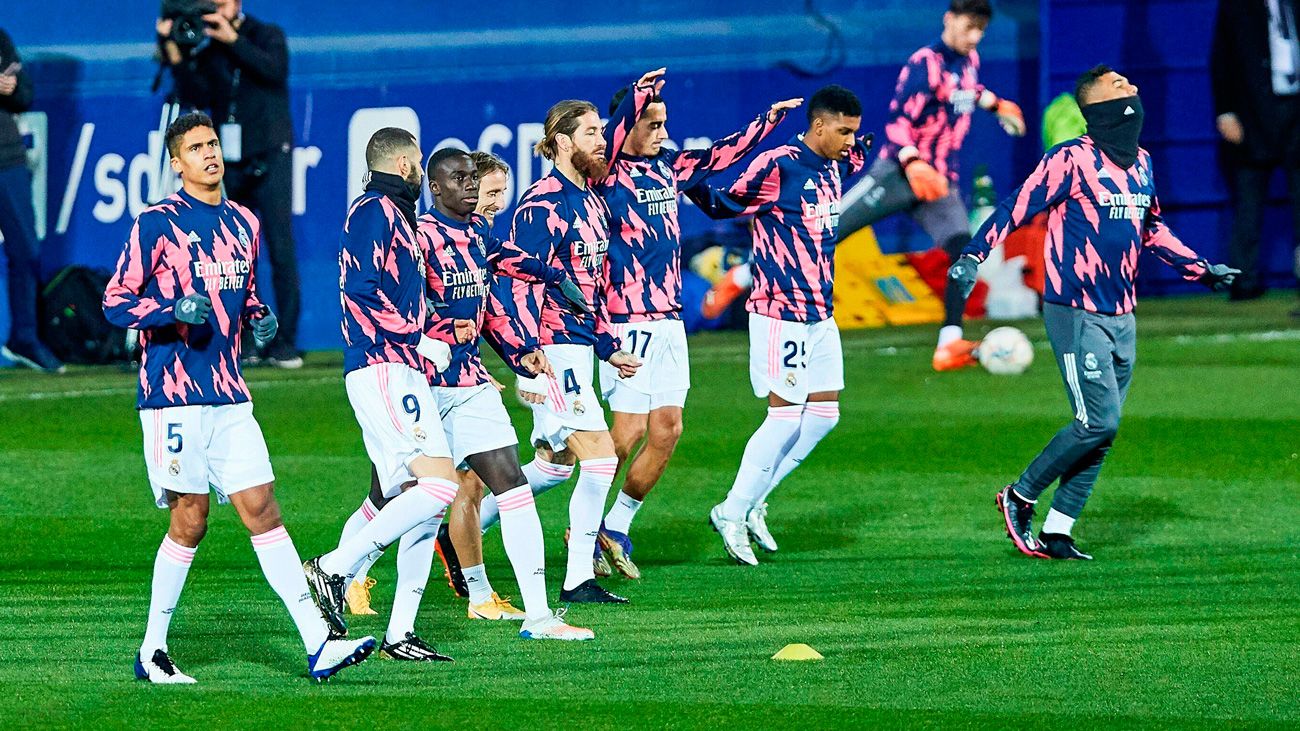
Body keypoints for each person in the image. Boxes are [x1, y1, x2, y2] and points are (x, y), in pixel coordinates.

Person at [102, 112, 375, 683]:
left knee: (262, 509)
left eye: (212, 145)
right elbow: (116, 301)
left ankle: (317, 643)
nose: (209, 154)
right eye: (196, 147)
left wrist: (257, 315)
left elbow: (243, 291)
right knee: (191, 520)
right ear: (176, 162)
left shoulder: (243, 222)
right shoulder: (156, 224)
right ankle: (152, 649)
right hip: (172, 396)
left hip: (228, 393)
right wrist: (169, 310)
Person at [946, 67, 1239, 559]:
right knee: (1096, 421)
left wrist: (1201, 269)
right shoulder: (1070, 159)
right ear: (1098, 102)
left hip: (1123, 314)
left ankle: (1059, 529)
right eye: (1123, 85)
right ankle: (1019, 496)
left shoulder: (1142, 162)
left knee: (1103, 426)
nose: (1136, 89)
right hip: (1076, 311)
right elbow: (1015, 206)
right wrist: (973, 255)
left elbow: (1152, 230)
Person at [336, 148, 593, 642]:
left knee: (513, 487)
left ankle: (539, 616)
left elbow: (490, 299)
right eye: (459, 179)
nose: (470, 186)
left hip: (469, 382)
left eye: (473, 177)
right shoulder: (420, 234)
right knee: (390, 496)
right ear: (435, 186)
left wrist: (520, 351)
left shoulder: (478, 234)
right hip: (422, 381)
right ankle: (344, 576)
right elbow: (400, 292)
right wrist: (430, 332)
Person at [591, 82, 803, 579]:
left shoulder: (669, 166)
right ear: (628, 125)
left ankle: (615, 528)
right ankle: (572, 519)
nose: (663, 131)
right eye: (652, 122)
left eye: (664, 122)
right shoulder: (605, 172)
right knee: (625, 435)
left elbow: (719, 154)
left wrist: (766, 120)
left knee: (667, 431)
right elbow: (618, 127)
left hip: (668, 323)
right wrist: (637, 98)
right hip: (626, 319)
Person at [302, 127, 473, 662]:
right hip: (382, 367)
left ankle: (400, 633)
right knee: (440, 487)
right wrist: (417, 337)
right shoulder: (374, 210)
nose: (422, 172)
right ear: (404, 165)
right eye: (419, 163)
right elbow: (359, 291)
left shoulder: (398, 215)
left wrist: (433, 334)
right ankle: (333, 567)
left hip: (401, 365)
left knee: (415, 502)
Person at [688, 85, 873, 566]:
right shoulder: (779, 163)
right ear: (818, 125)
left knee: (825, 416)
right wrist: (681, 176)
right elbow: (723, 203)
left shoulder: (836, 165)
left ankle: (750, 503)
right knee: (785, 416)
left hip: (820, 311)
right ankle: (731, 510)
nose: (852, 141)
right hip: (779, 311)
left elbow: (857, 159)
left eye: (855, 132)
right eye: (844, 131)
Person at [507, 70, 661, 603]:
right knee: (600, 458)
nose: (603, 140)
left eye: (603, 130)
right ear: (563, 142)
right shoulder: (540, 205)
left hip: (578, 348)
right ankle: (577, 580)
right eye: (593, 131)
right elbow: (512, 284)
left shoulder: (591, 201)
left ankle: (462, 528)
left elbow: (586, 291)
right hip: (550, 351)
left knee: (555, 467)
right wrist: (525, 357)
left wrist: (607, 346)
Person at [834, 0, 1026, 371]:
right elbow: (896, 122)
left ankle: (949, 344)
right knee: (822, 232)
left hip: (939, 183)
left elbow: (969, 92)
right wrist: (913, 163)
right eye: (969, 27)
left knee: (963, 254)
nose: (975, 37)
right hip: (899, 173)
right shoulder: (924, 63)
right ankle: (742, 276)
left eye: (981, 31)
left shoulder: (970, 61)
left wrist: (998, 105)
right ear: (949, 20)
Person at [157, 0, 302, 367]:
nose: (214, 11)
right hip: (229, 160)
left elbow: (274, 71)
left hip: (270, 152)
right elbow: (197, 96)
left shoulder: (266, 34)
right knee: (233, 253)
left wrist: (233, 40)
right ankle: (245, 337)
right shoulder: (210, 48)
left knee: (280, 246)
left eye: (219, 3)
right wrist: (175, 50)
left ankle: (285, 341)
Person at [1210, 0, 1300, 303]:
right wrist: (1226, 111)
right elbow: (1221, 58)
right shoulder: (1237, 6)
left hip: (1296, 109)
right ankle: (1243, 280)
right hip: (1253, 111)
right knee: (1248, 201)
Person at [0, 27, 63, 373]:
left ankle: (24, 337)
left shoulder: (1, 38)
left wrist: (10, 88)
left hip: (6, 159)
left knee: (26, 249)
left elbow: (24, 95)